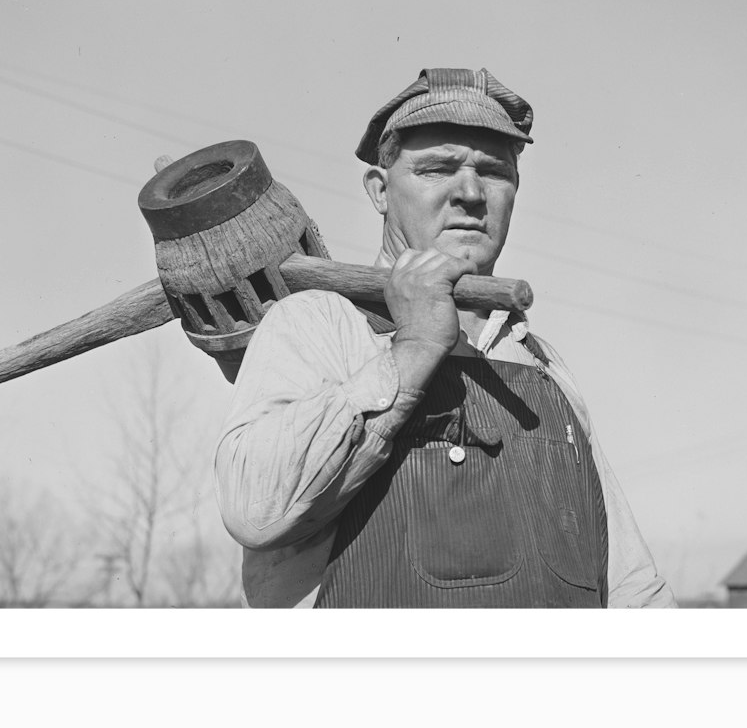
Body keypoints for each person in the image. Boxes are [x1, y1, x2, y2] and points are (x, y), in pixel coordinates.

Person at [213, 67, 675, 609]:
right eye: (438, 169)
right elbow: (254, 509)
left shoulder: (540, 364)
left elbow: (630, 587)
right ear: (380, 191)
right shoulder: (319, 323)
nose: (472, 193)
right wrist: (412, 348)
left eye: (494, 172)